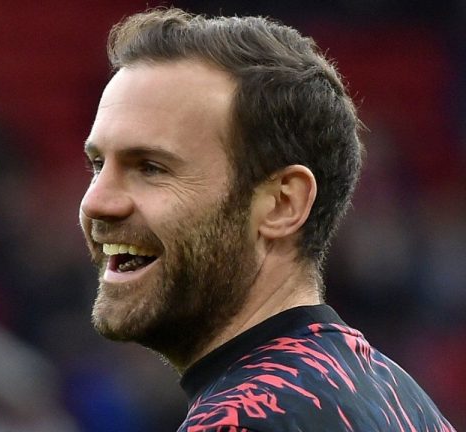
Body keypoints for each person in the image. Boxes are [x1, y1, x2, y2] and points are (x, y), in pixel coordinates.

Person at [78, 8, 455, 431]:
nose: (96, 202)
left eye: (150, 167)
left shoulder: (238, 421)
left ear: (282, 204)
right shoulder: (404, 401)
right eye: (98, 165)